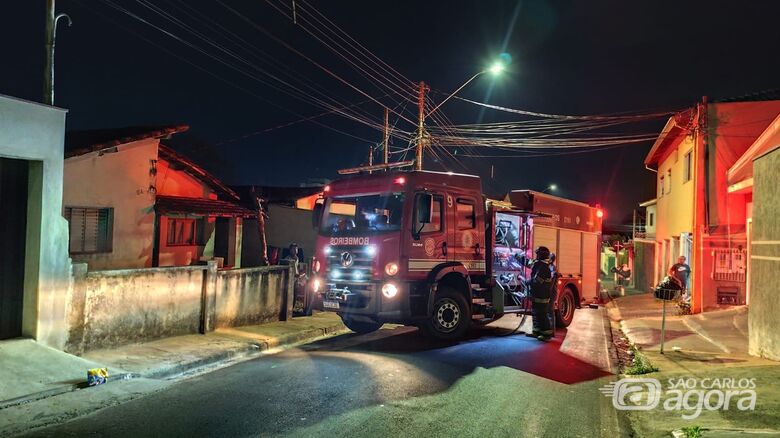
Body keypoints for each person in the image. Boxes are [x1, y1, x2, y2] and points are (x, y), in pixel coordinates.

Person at [526, 246, 554, 341]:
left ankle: (546, 334)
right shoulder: (538, 264)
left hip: (542, 295)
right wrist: (515, 256)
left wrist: (527, 281)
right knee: (536, 313)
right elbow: (528, 263)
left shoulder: (543, 267)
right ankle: (537, 331)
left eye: (537, 254)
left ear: (541, 255)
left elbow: (537, 281)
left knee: (542, 314)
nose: (536, 255)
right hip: (537, 294)